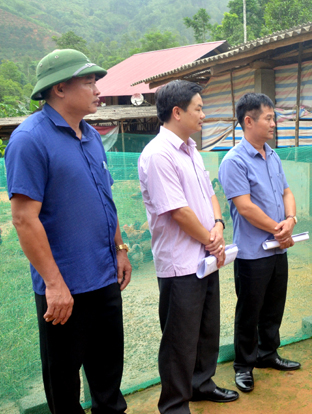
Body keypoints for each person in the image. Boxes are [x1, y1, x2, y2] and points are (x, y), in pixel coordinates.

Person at [5, 49, 131, 413]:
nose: (98, 91)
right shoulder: (29, 139)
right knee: (64, 384)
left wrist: (120, 248)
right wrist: (54, 284)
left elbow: (105, 196)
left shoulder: (91, 135)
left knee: (108, 378)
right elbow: (24, 219)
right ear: (60, 88)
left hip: (104, 278)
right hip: (64, 290)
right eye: (89, 82)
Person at [138, 80, 239, 413]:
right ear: (177, 112)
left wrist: (219, 225)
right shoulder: (157, 154)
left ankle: (201, 383)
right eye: (198, 108)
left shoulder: (191, 149)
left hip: (206, 256)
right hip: (180, 263)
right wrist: (211, 239)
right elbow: (178, 211)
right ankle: (174, 405)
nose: (204, 115)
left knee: (206, 330)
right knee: (179, 340)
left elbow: (209, 192)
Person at [218, 92, 300, 393]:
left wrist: (290, 220)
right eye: (269, 118)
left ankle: (268, 354)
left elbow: (287, 192)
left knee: (273, 306)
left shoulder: (272, 155)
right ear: (248, 121)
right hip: (253, 252)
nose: (274, 124)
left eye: (274, 118)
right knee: (249, 310)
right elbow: (245, 206)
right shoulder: (234, 161)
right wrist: (279, 228)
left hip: (279, 246)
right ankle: (243, 365)